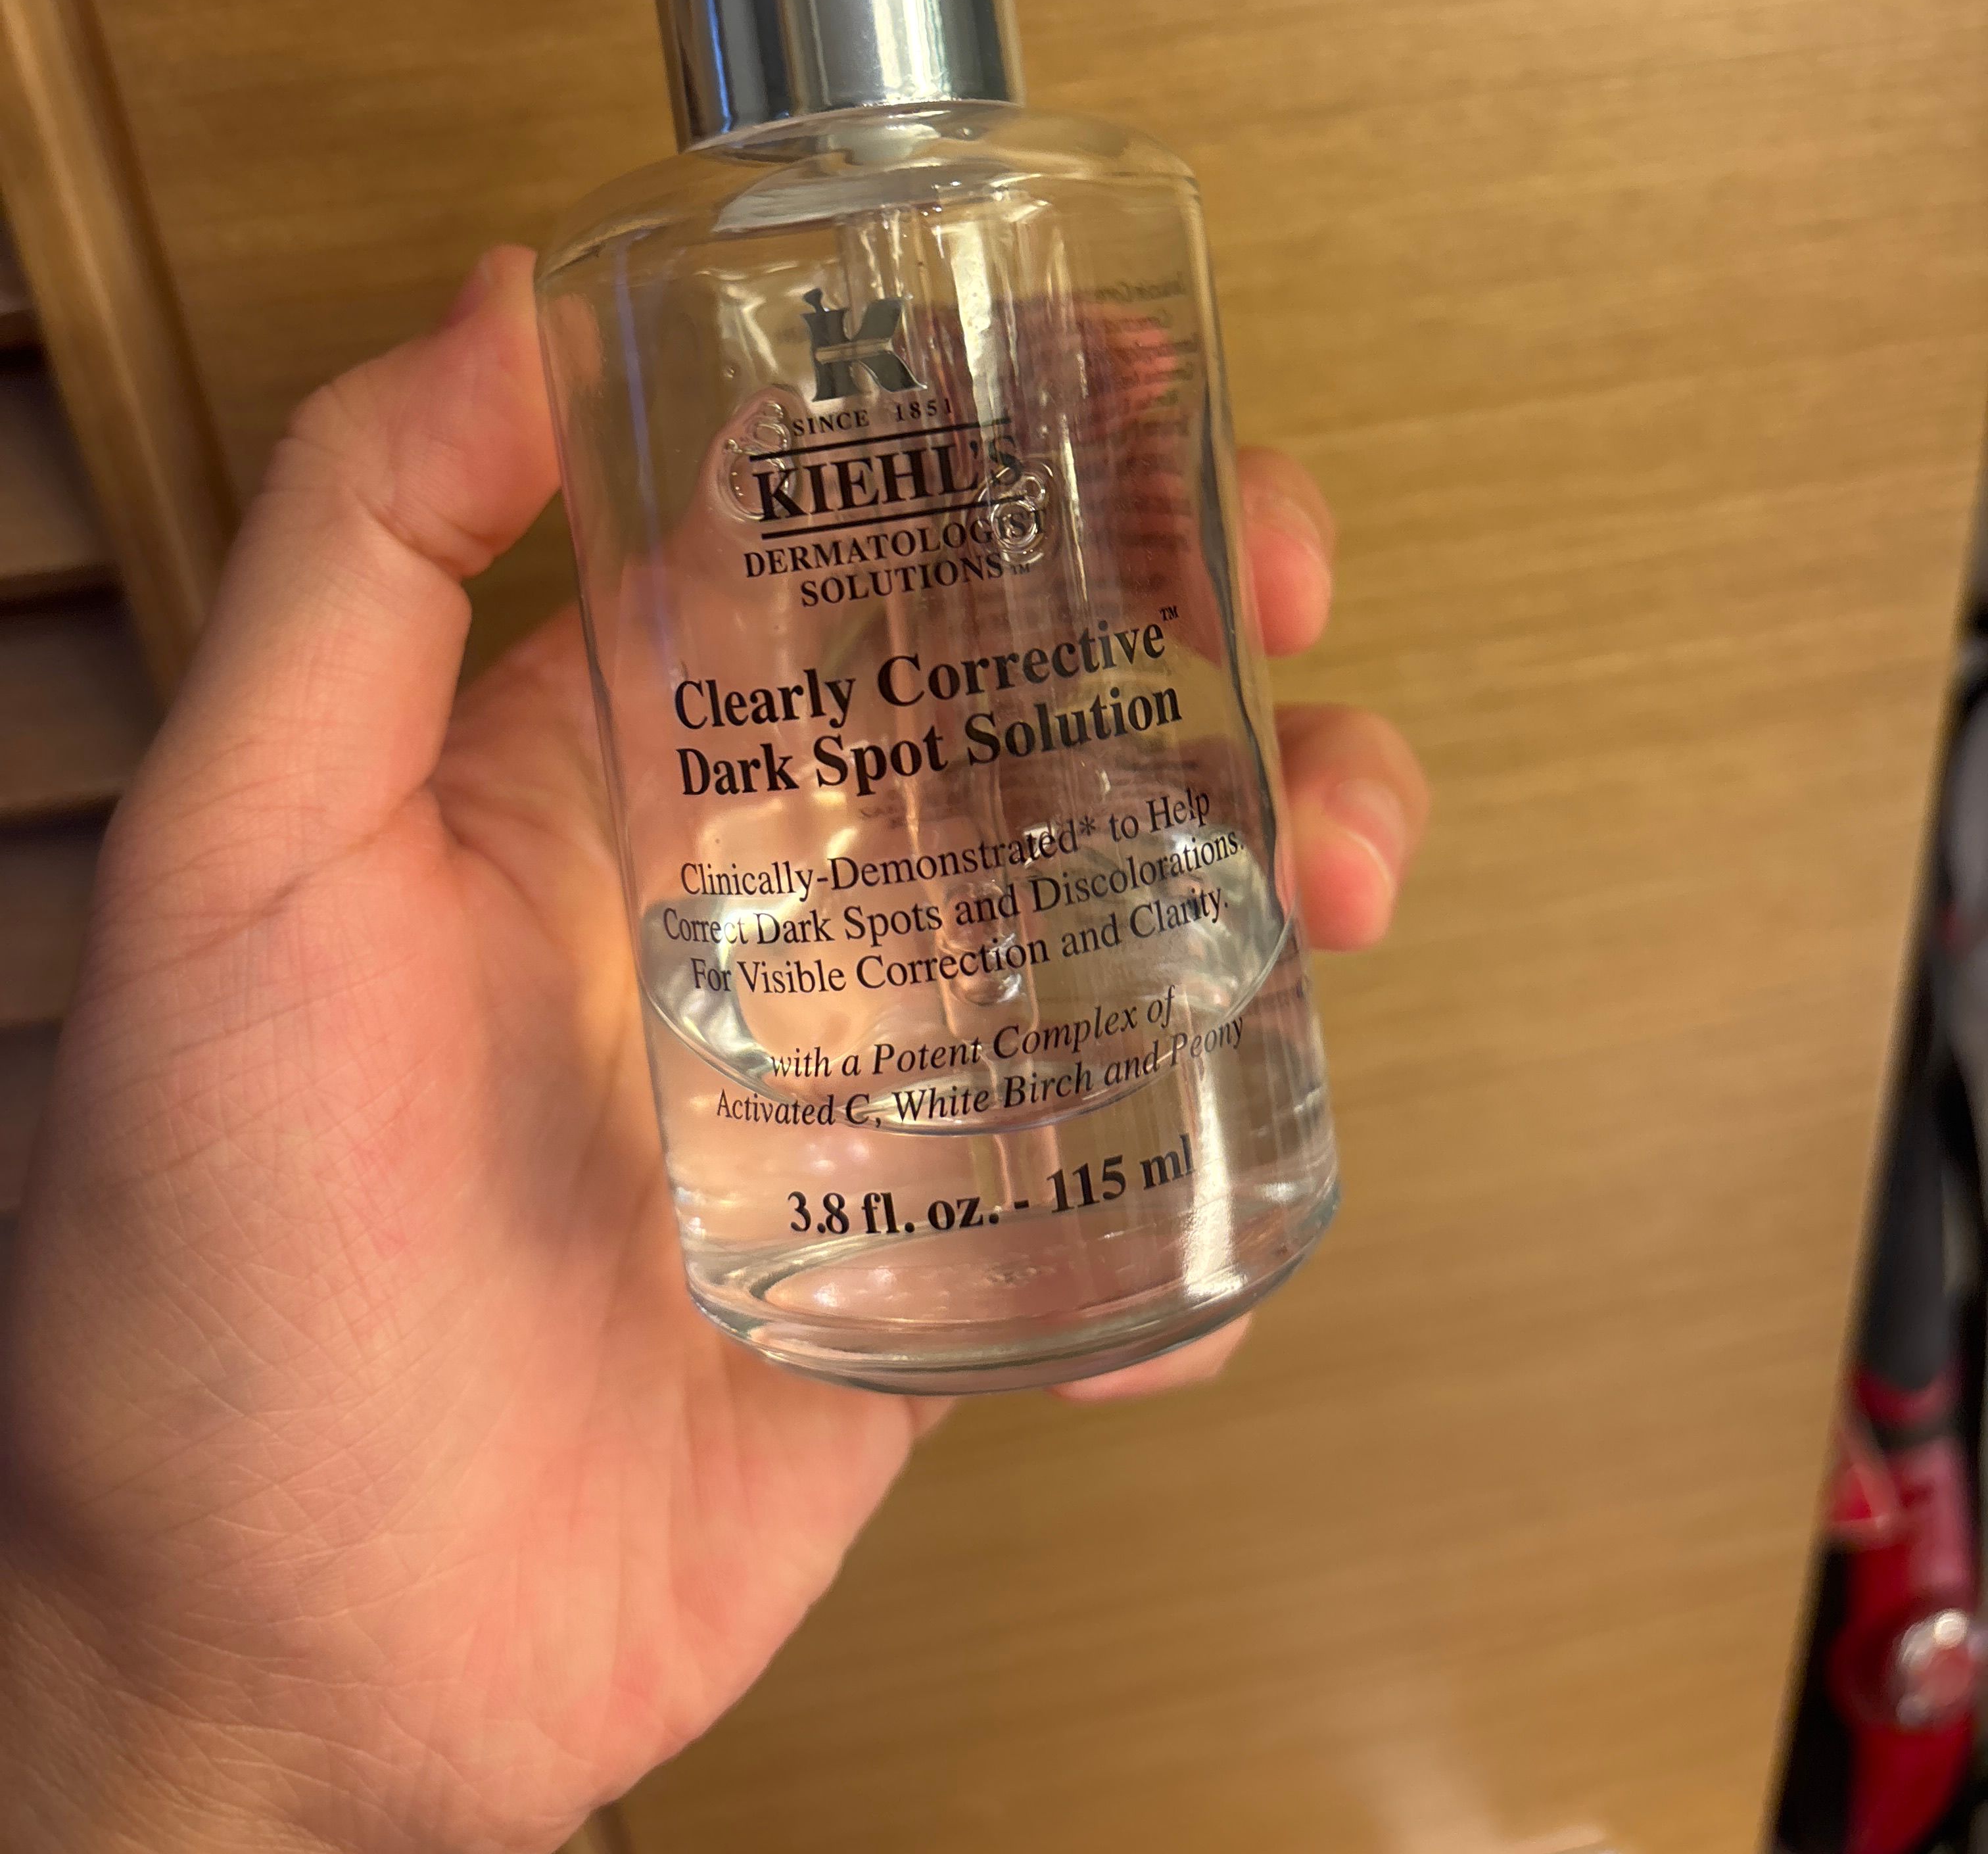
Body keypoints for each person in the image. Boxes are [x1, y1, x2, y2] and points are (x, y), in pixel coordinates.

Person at [0, 248, 1427, 1851]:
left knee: (1173, 662)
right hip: (721, 1183)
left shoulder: (1070, 215)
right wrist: (192, 1706)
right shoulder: (648, 288)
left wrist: (201, 1739)